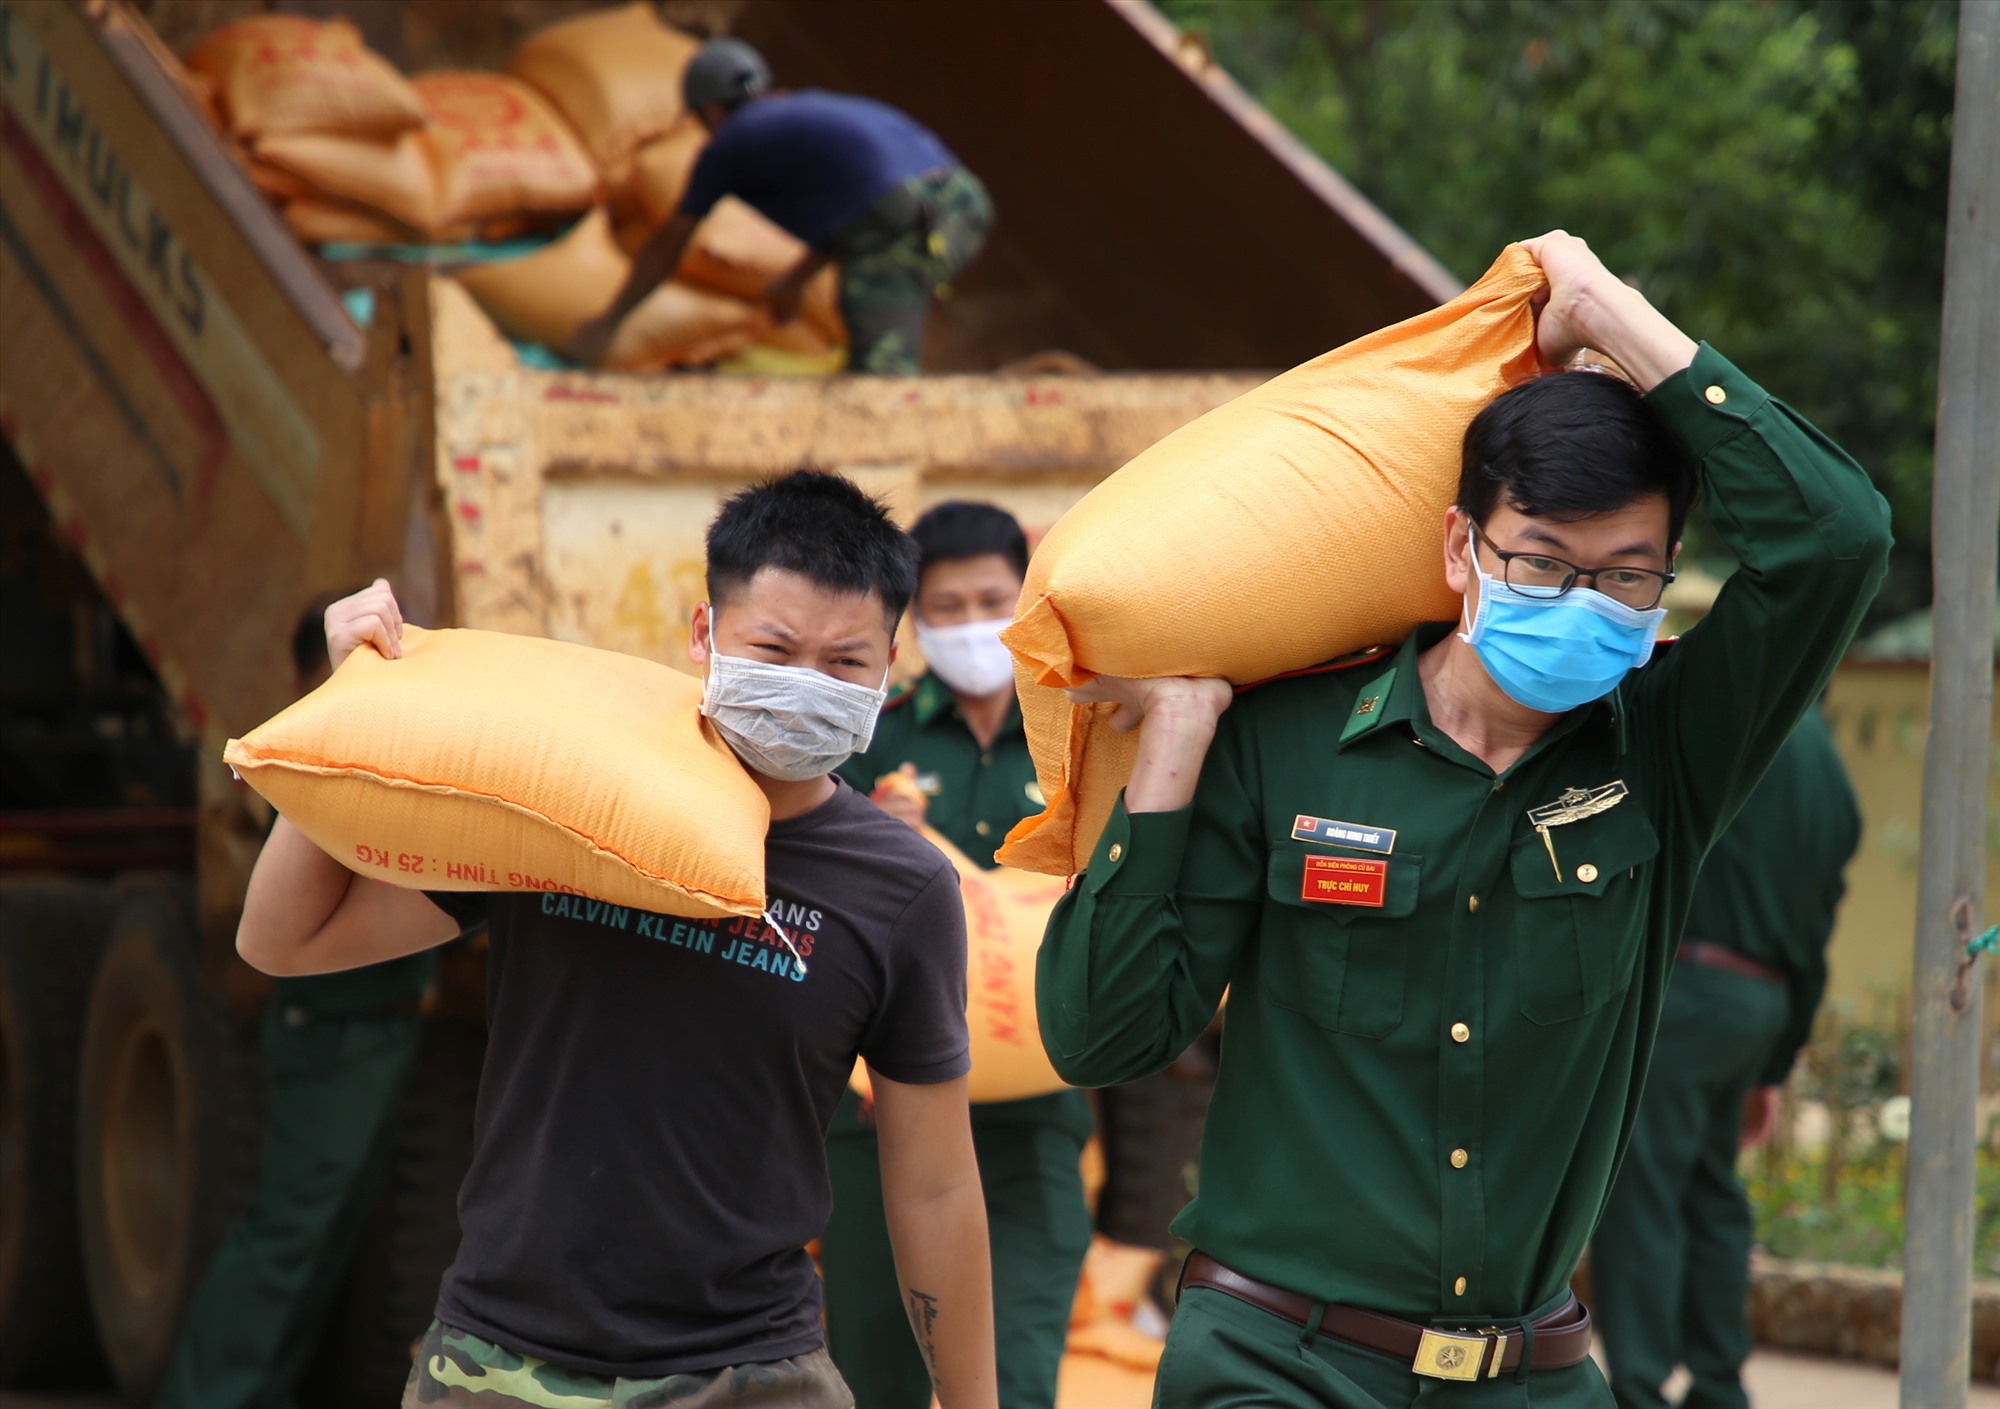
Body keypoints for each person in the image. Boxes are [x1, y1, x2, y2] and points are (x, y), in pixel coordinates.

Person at [1035, 231, 1892, 1408]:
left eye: (1625, 575)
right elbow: (1099, 1038)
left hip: (1530, 1377)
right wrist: (1172, 747)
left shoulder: (1667, 746)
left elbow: (1839, 536)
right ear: (1458, 548)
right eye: (1540, 562)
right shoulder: (1284, 742)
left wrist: (1605, 314)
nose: (1583, 602)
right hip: (1274, 1363)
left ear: (1666, 577)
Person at [235, 471, 998, 1409]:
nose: (805, 686)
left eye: (845, 664)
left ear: (889, 668)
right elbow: (284, 939)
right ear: (703, 636)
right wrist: (352, 707)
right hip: (499, 1366)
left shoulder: (901, 888)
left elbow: (934, 1185)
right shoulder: (565, 803)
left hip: (751, 1374)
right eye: (774, 647)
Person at [824, 502, 1094, 1409]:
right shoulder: (870, 734)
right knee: (873, 1370)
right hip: (878, 1119)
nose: (974, 622)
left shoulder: (1078, 731)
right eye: (947, 605)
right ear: (912, 620)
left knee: (1014, 1372)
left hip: (1030, 1123)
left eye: (993, 598)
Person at [156, 599, 438, 1409]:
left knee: (317, 1241)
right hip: (333, 1032)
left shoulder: (374, 740)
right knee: (289, 1237)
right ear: (310, 672)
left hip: (370, 1030)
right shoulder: (320, 752)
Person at [1592, 705, 1861, 1409]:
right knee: (1712, 1189)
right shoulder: (1831, 774)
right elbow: (1818, 929)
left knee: (1640, 1191)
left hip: (1687, 986)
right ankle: (1718, 1384)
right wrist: (1774, 1062)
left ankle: (1638, 1388)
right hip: (1759, 1003)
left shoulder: (1732, 715)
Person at [570, 38, 992, 376]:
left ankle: (891, 445)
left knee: (878, 359)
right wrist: (793, 282)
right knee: (874, 293)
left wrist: (610, 321)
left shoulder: (730, 144)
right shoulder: (793, 115)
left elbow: (667, 247)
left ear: (712, 110)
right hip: (961, 201)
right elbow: (856, 219)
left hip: (907, 212)